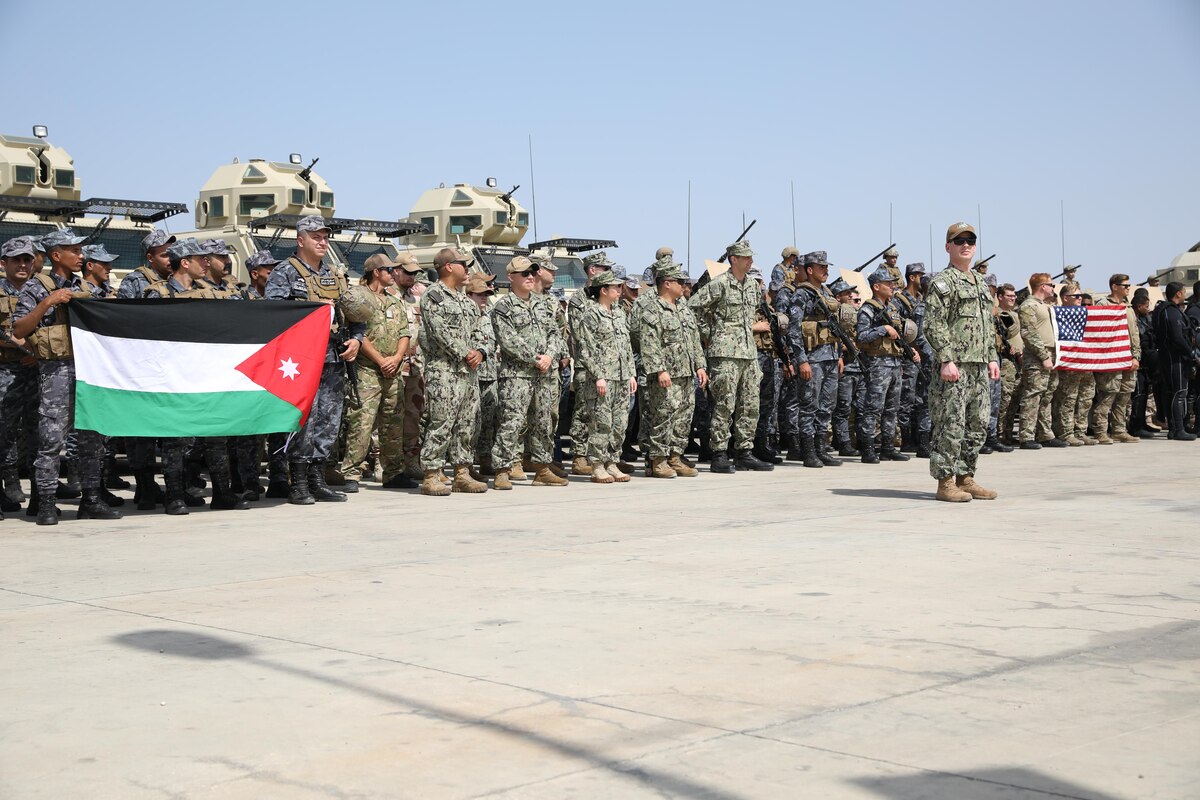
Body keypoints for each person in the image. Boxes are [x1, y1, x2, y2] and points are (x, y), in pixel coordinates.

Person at [12, 228, 120, 524]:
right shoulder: (37, 287)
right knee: (50, 440)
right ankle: (45, 503)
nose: (81, 255)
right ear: (56, 255)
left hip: (90, 373)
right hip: (56, 372)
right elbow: (19, 330)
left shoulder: (87, 287)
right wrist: (48, 303)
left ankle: (92, 499)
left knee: (91, 439)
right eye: (75, 250)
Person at [264, 215, 363, 505]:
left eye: (325, 237)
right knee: (302, 420)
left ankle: (318, 480)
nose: (322, 242)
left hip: (333, 357)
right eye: (316, 237)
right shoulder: (284, 272)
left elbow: (355, 314)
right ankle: (298, 483)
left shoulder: (335, 275)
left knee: (328, 421)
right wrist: (312, 308)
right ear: (301, 240)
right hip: (301, 360)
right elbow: (273, 313)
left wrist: (357, 338)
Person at [923, 222, 1000, 502]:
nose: (965, 245)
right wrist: (946, 359)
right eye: (959, 241)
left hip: (978, 365)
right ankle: (945, 483)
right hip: (954, 366)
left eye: (970, 240)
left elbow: (986, 324)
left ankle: (965, 478)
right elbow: (933, 323)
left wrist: (992, 356)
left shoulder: (980, 282)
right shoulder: (943, 282)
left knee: (978, 423)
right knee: (950, 423)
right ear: (948, 247)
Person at [689, 241, 771, 474]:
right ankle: (719, 453)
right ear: (733, 259)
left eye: (750, 257)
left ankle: (744, 452)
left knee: (750, 404)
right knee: (724, 404)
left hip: (748, 353)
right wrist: (711, 333)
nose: (750, 261)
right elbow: (693, 308)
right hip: (724, 354)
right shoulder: (720, 284)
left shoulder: (753, 287)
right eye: (745, 257)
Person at [489, 256, 568, 489]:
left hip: (543, 374)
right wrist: (536, 359)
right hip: (517, 375)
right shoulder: (503, 307)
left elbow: (556, 332)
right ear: (511, 277)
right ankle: (503, 469)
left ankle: (542, 468)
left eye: (533, 273)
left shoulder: (544, 303)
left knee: (544, 422)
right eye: (525, 274)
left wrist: (550, 356)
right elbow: (508, 340)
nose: (530, 277)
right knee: (511, 422)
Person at [337, 253, 411, 492]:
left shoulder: (395, 301)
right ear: (376, 272)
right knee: (362, 422)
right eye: (389, 270)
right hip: (367, 370)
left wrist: (397, 358)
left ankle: (393, 472)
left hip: (393, 371)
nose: (393, 274)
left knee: (393, 423)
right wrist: (380, 360)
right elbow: (358, 334)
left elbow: (404, 333)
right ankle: (351, 473)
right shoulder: (359, 299)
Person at [417, 248, 487, 496]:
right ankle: (431, 474)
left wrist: (480, 350)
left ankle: (462, 473)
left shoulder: (467, 302)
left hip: (468, 372)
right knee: (441, 422)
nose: (467, 269)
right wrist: (465, 352)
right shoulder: (433, 296)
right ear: (448, 266)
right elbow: (439, 330)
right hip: (444, 371)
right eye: (463, 264)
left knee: (466, 424)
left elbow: (481, 330)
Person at [639, 261, 708, 477]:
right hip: (667, 375)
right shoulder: (653, 311)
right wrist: (660, 370)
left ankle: (675, 457)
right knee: (662, 417)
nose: (684, 285)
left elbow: (694, 340)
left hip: (686, 374)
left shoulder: (684, 310)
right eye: (680, 282)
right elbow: (649, 343)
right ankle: (657, 460)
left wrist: (700, 365)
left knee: (683, 418)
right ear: (667, 284)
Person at [575, 270, 636, 483]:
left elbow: (626, 346)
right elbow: (586, 348)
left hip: (620, 377)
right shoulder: (590, 314)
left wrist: (630, 374)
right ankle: (598, 465)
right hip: (602, 378)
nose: (620, 291)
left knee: (620, 423)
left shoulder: (619, 313)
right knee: (601, 423)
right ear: (603, 290)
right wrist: (598, 375)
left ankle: (612, 462)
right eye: (616, 287)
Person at [784, 250, 843, 469]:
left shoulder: (826, 293)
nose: (826, 270)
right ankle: (808, 451)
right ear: (810, 270)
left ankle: (821, 448)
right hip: (812, 358)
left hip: (830, 356)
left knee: (827, 405)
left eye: (827, 267)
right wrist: (801, 360)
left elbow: (834, 328)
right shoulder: (802, 294)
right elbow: (793, 329)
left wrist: (839, 355)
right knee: (809, 405)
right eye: (821, 267)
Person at [856, 266, 918, 463]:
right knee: (874, 407)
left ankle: (888, 447)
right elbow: (861, 336)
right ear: (876, 286)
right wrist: (882, 329)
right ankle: (867, 448)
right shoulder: (867, 309)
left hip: (894, 363)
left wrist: (910, 349)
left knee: (892, 407)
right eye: (888, 283)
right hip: (877, 364)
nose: (892, 286)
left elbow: (899, 335)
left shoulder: (892, 308)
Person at [0, 237, 40, 518]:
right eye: (17, 260)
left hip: (36, 370)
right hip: (5, 371)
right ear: (4, 264)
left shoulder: (39, 290)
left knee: (38, 432)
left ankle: (39, 490)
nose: (24, 264)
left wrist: (36, 351)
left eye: (27, 259)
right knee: (4, 432)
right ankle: (7, 486)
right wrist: (22, 346)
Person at [567, 252, 615, 475]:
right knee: (583, 411)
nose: (609, 273)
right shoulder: (579, 299)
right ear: (592, 270)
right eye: (605, 268)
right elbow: (581, 335)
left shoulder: (608, 300)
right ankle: (579, 456)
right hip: (586, 365)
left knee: (604, 413)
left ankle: (602, 456)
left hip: (609, 366)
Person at [1016, 273, 1067, 449]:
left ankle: (1045, 434)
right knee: (1033, 396)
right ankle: (1026, 436)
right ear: (1042, 286)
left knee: (1047, 396)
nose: (1053, 288)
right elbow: (1029, 333)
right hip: (1037, 356)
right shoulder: (1028, 306)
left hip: (1051, 354)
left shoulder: (1045, 306)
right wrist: (1044, 356)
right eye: (1051, 285)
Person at [1090, 274, 1142, 444]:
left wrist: (1136, 356)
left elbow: (1134, 334)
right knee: (1108, 395)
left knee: (1124, 396)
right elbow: (1099, 334)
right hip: (1111, 359)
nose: (1128, 288)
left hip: (1128, 358)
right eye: (1125, 285)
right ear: (1114, 286)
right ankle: (1100, 431)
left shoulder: (1128, 307)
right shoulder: (1103, 305)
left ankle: (1119, 430)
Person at [1152, 281, 1197, 440]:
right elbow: (1177, 338)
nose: (1185, 294)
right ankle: (1178, 429)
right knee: (1179, 393)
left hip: (1171, 357)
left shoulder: (1168, 310)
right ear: (1178, 293)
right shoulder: (1171, 312)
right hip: (1174, 358)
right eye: (1183, 291)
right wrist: (1192, 355)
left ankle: (1174, 428)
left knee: (1172, 393)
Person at [1049, 284, 1090, 446]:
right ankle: (1066, 432)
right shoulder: (1056, 313)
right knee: (1067, 399)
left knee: (1085, 398)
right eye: (1077, 296)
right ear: (1065, 298)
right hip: (1068, 364)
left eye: (1081, 296)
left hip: (1084, 364)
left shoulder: (1086, 313)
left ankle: (1080, 431)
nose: (1081, 299)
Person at [830, 280, 863, 456]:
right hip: (846, 367)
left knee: (859, 407)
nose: (851, 296)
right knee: (843, 407)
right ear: (837, 297)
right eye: (846, 293)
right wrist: (844, 347)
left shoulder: (854, 314)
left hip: (858, 367)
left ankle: (854, 440)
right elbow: (832, 340)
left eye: (851, 293)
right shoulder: (835, 316)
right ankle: (843, 443)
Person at [1128, 289, 1158, 438]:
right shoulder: (1133, 320)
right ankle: (1136, 425)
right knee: (1138, 395)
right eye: (1146, 306)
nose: (1148, 309)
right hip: (1136, 363)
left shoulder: (1145, 319)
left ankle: (1142, 423)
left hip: (1146, 364)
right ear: (1139, 306)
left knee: (1144, 394)